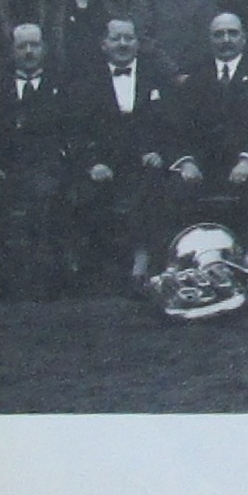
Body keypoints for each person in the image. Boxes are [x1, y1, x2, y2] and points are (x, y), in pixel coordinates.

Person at [63, 17, 173, 290]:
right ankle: (102, 269)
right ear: (104, 45)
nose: (123, 44)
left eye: (129, 38)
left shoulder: (155, 74)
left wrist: (158, 151)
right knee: (89, 195)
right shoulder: (86, 79)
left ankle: (143, 261)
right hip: (104, 162)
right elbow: (74, 128)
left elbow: (171, 122)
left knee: (154, 187)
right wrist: (92, 163)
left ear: (138, 42)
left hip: (146, 159)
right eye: (116, 38)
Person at [158, 12, 248, 253]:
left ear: (244, 38)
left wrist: (247, 159)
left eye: (232, 33)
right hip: (203, 164)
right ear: (210, 40)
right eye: (219, 34)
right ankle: (180, 260)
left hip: (246, 161)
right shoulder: (194, 76)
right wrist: (187, 161)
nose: (226, 40)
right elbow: (176, 125)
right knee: (172, 190)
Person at [0, 22, 70, 300]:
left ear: (44, 49)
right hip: (4, 167)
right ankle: (4, 282)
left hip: (46, 167)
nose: (28, 52)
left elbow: (67, 132)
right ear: (12, 51)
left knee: (43, 200)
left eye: (34, 45)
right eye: (22, 46)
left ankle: (43, 284)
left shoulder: (59, 84)